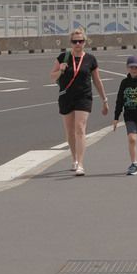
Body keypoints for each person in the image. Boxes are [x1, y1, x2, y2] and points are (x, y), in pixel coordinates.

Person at [49, 29, 108, 176]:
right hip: (66, 97)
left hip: (84, 97)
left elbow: (97, 80)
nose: (77, 44)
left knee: (80, 129)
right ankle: (74, 159)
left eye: (80, 41)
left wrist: (104, 100)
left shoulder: (90, 59)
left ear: (84, 42)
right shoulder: (63, 57)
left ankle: (81, 164)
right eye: (74, 41)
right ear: (70, 43)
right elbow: (52, 77)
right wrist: (60, 70)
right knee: (70, 132)